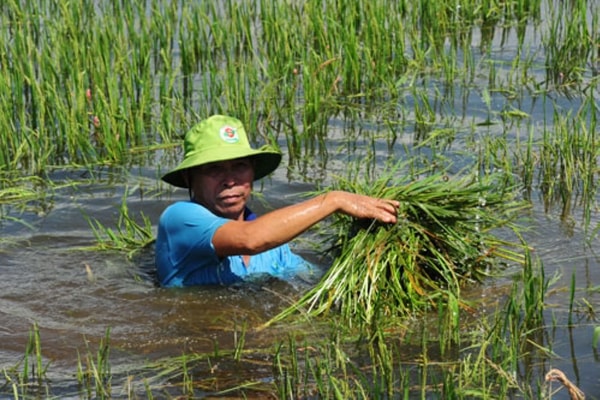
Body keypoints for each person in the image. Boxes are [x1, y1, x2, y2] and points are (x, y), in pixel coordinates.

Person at [155, 115, 400, 287]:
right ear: (190, 178)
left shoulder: (275, 245)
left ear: (252, 172)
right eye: (214, 169)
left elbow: (313, 280)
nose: (230, 180)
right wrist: (333, 200)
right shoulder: (179, 219)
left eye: (239, 166)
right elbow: (249, 239)